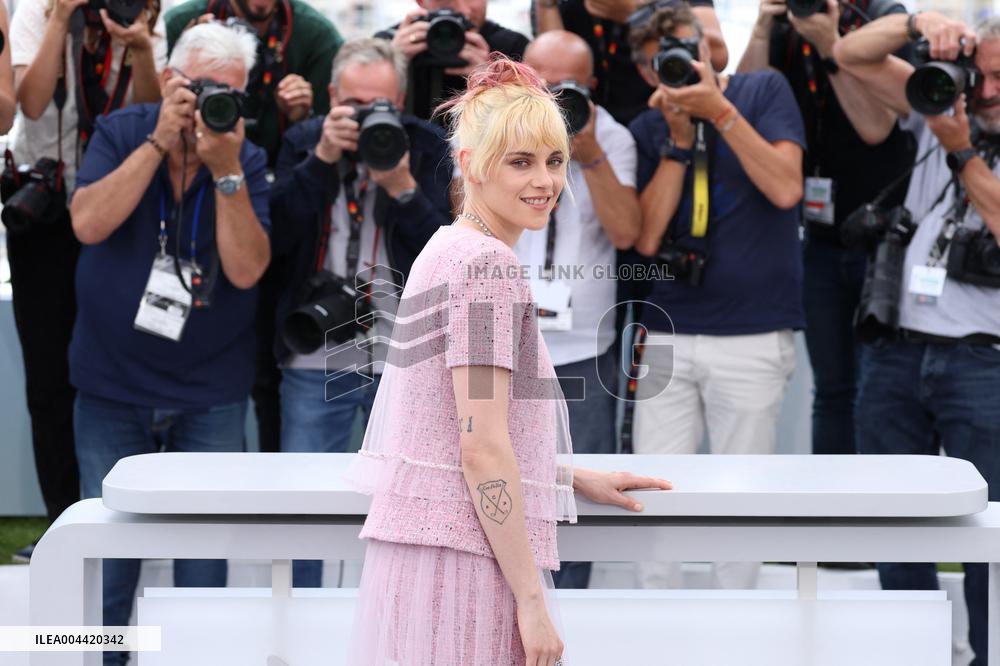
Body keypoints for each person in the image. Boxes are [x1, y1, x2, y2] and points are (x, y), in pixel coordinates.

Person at [344, 56, 671, 665]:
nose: (544, 181)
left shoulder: (449, 246)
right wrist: (531, 599)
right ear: (471, 165)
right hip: (463, 563)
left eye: (554, 160)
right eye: (520, 162)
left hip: (431, 552)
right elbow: (480, 447)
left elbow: (454, 433)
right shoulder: (486, 265)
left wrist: (566, 477)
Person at [67, 22, 269, 665]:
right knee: (104, 563)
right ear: (169, 79)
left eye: (228, 93)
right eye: (201, 88)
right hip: (112, 384)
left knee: (203, 567)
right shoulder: (122, 129)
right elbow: (87, 222)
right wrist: (159, 140)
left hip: (209, 393)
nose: (213, 103)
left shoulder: (245, 155)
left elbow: (247, 270)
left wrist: (226, 171)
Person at [834, 12, 1000, 665]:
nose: (987, 90)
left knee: (990, 529)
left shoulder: (951, 130)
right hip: (896, 351)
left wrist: (961, 150)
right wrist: (916, 23)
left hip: (983, 361)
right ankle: (910, 653)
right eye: (980, 75)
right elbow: (850, 54)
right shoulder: (940, 104)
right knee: (892, 520)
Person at [627, 2, 805, 589]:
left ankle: (740, 621)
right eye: (664, 60)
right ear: (647, 72)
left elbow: (786, 188)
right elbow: (646, 238)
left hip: (753, 332)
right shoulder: (649, 127)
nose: (682, 65)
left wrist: (719, 113)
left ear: (708, 49)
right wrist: (678, 145)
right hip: (667, 332)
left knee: (743, 494)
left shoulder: (762, 91)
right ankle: (654, 612)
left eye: (689, 49)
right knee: (651, 490)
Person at [269, 37, 453, 588]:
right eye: (353, 104)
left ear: (401, 101)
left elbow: (449, 254)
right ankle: (300, 611)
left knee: (407, 504)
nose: (368, 117)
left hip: (405, 357)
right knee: (305, 500)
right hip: (317, 351)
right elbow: (275, 236)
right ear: (330, 97)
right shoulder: (305, 141)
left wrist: (403, 189)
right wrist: (322, 161)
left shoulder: (427, 146)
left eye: (381, 106)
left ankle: (395, 610)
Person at [5, 0, 164, 563]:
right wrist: (58, 21)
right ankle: (60, 526)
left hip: (118, 208)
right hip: (45, 210)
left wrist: (140, 47)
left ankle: (128, 520)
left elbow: (151, 114)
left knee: (120, 369)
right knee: (48, 380)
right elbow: (30, 103)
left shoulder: (143, 14)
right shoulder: (40, 11)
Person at [164, 0, 344, 458]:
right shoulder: (183, 21)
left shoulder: (314, 34)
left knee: (267, 370)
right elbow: (151, 106)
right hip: (183, 185)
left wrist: (306, 114)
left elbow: (340, 130)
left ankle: (269, 483)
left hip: (274, 208)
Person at [737, 0, 916, 457]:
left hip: (884, 241)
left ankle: (878, 494)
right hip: (819, 239)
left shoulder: (881, 17)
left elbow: (876, 128)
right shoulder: (786, 26)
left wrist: (829, 46)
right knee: (832, 390)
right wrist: (762, 29)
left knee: (878, 388)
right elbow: (744, 100)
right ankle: (833, 495)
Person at [518, 29, 640, 590]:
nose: (552, 97)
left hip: (584, 344)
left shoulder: (610, 135)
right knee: (501, 473)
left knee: (582, 488)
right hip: (504, 338)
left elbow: (627, 231)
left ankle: (570, 610)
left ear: (590, 85)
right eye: (540, 83)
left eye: (566, 86)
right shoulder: (491, 128)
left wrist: (589, 155)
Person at [533, 0, 728, 126]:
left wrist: (638, 11)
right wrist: (547, 5)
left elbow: (717, 55)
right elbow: (552, 60)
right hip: (586, 123)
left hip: (665, 118)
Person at [376, 0, 529, 122]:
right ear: (420, 2)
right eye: (446, 1)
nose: (463, 10)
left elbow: (528, 120)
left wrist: (490, 78)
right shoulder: (390, 43)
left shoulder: (512, 47)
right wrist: (392, 64)